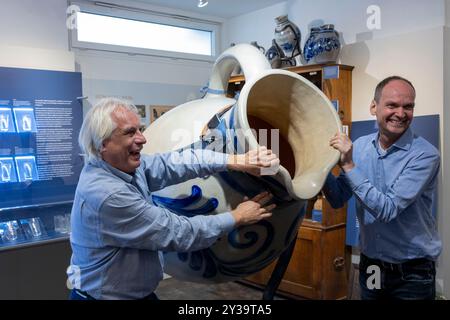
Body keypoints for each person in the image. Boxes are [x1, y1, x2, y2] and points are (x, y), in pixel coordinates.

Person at [67, 97, 280, 300]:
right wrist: (237, 217)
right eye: (130, 132)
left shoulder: (121, 166)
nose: (142, 139)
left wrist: (234, 160)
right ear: (102, 143)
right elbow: (177, 232)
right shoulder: (108, 195)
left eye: (140, 129)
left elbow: (175, 162)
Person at [322, 76, 441, 300]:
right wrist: (317, 164)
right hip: (373, 267)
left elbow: (387, 209)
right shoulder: (361, 146)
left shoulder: (425, 155)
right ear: (373, 107)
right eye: (392, 105)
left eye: (408, 106)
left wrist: (348, 164)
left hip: (412, 275)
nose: (401, 113)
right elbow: (338, 198)